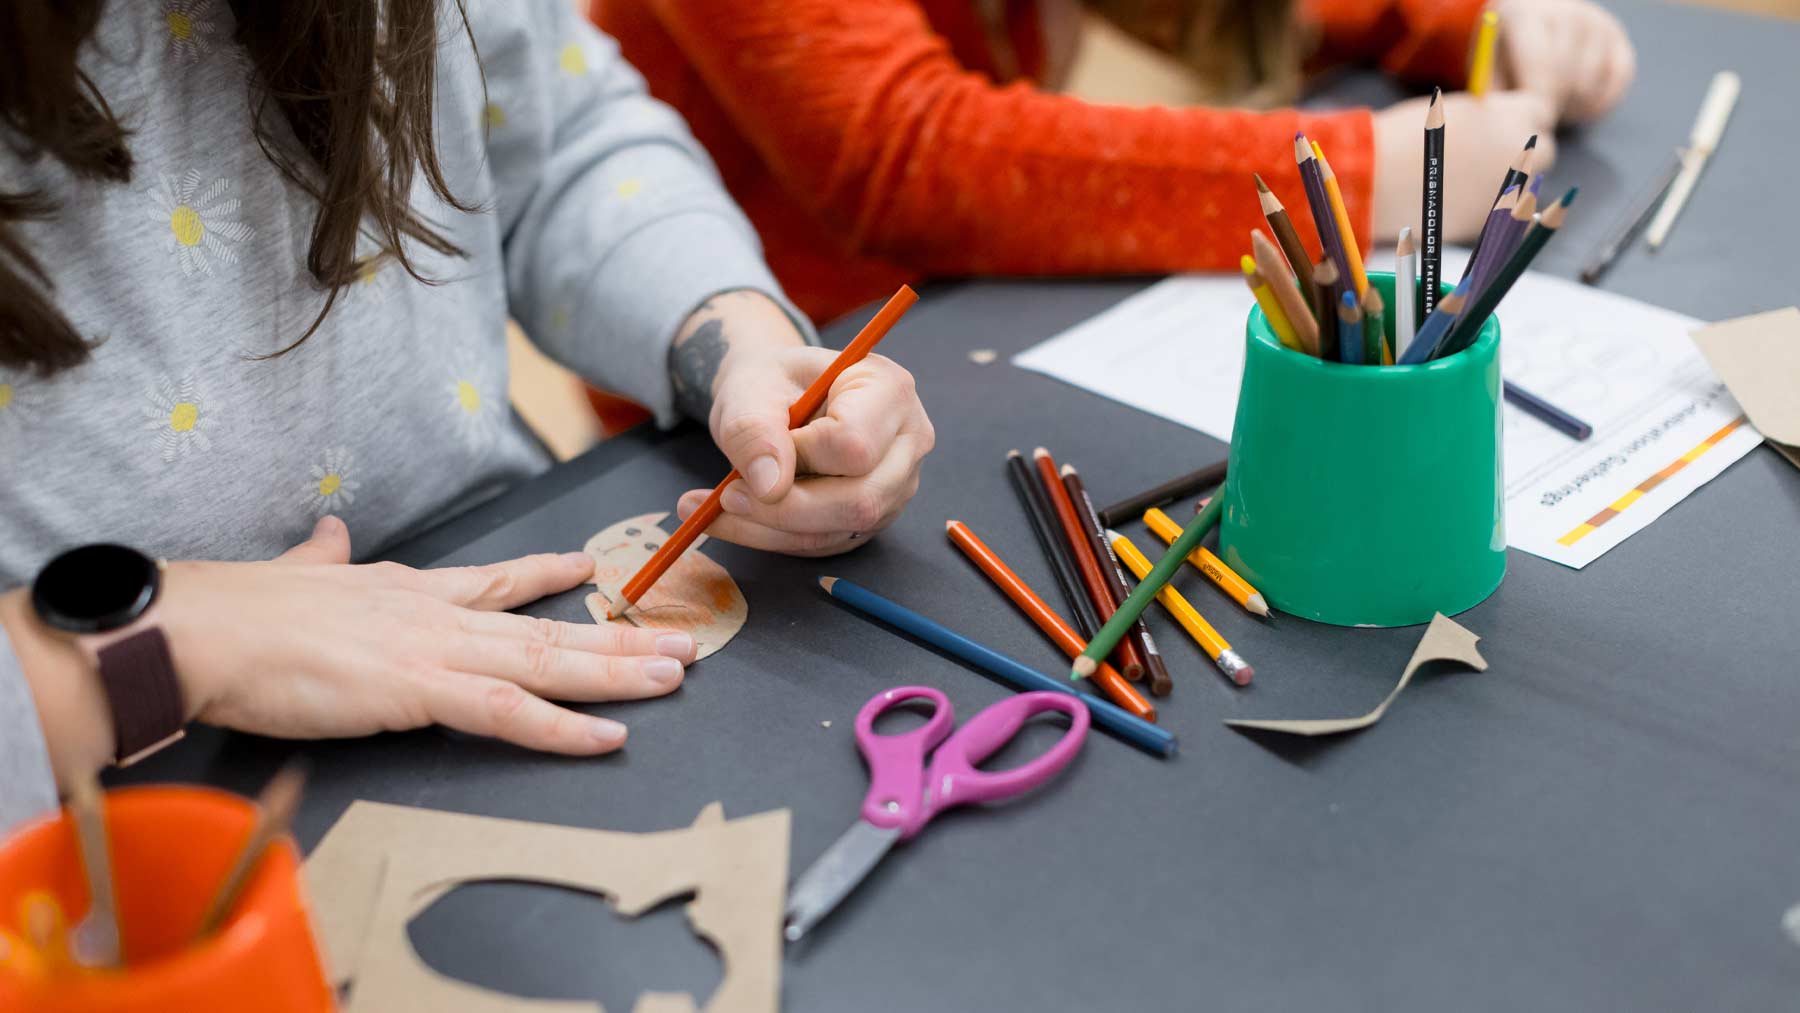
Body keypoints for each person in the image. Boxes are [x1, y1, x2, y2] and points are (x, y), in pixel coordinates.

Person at [0, 0, 934, 834]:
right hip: (100, 778)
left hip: (501, 574)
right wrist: (151, 651)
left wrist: (735, 344)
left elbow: (560, 137)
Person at [594, 0, 1636, 325]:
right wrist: (1363, 171)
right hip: (764, 359)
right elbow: (900, 152)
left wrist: (1473, 29)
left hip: (975, 306)